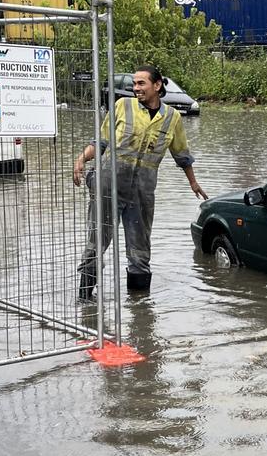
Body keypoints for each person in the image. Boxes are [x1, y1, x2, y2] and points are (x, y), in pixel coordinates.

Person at [73, 65, 207, 297]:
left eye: (141, 83)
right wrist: (81, 159)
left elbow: (182, 155)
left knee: (140, 250)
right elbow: (101, 141)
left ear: (157, 86)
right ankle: (85, 301)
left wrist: (193, 183)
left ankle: (140, 312)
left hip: (142, 193)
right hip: (109, 185)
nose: (136, 88)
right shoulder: (122, 106)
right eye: (134, 84)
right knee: (96, 242)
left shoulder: (172, 118)